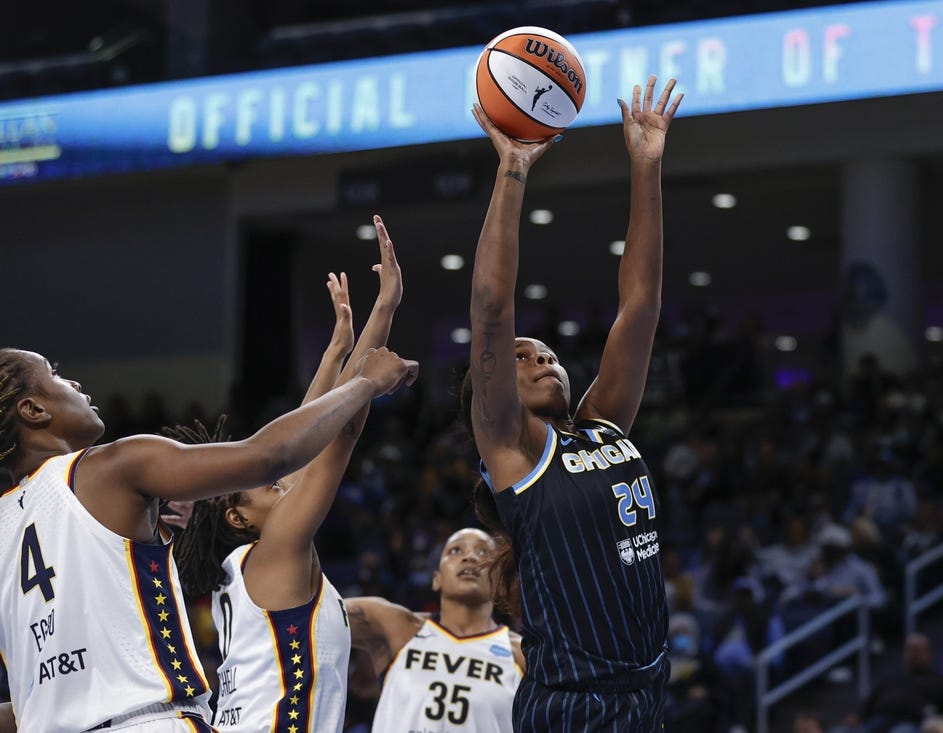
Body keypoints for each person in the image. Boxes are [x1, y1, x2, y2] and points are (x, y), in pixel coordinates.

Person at [0, 330, 416, 725]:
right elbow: (271, 455)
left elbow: (31, 698)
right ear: (33, 410)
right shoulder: (113, 466)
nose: (71, 381)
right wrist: (365, 384)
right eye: (54, 374)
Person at [464, 74, 682, 730]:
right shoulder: (514, 448)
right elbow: (492, 308)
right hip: (574, 705)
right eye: (524, 356)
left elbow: (640, 304)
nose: (542, 358)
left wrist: (645, 166)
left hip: (646, 694)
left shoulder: (602, 423)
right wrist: (511, 172)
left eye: (549, 352)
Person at [169, 215, 413, 731]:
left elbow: (309, 434)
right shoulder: (275, 551)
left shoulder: (249, 563)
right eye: (265, 481)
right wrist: (368, 378)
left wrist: (341, 347)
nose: (278, 476)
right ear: (236, 515)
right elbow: (337, 434)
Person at [345, 527, 523, 732]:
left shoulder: (521, 655)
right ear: (436, 578)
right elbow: (318, 611)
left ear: (500, 583)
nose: (470, 557)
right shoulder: (399, 629)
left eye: (484, 553)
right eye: (455, 551)